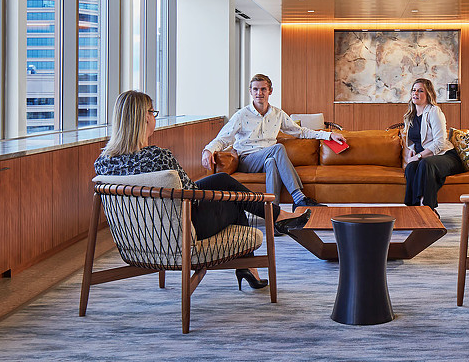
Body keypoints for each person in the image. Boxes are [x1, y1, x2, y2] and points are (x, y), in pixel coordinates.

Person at [94, 90, 310, 291]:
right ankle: (269, 231)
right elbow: (191, 194)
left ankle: (266, 235)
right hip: (183, 229)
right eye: (152, 112)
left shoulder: (102, 164)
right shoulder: (158, 157)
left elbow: (185, 190)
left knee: (222, 179)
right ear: (143, 118)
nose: (155, 117)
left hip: (139, 235)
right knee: (234, 201)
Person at [201, 74, 345, 208]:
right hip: (247, 160)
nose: (259, 93)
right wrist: (208, 150)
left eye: (263, 89)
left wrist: (328, 135)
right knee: (277, 148)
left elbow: (300, 132)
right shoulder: (241, 115)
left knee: (271, 162)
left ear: (270, 91)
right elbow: (223, 138)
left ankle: (273, 213)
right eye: (256, 89)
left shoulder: (278, 114)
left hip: (267, 159)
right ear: (250, 91)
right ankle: (299, 198)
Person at [401, 78, 464, 209]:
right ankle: (414, 209)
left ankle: (427, 208)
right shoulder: (410, 115)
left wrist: (418, 156)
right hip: (426, 158)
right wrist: (413, 150)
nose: (415, 93)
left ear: (428, 94)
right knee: (411, 168)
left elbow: (440, 143)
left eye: (420, 91)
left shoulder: (434, 111)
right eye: (413, 90)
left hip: (446, 156)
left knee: (424, 164)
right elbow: (413, 139)